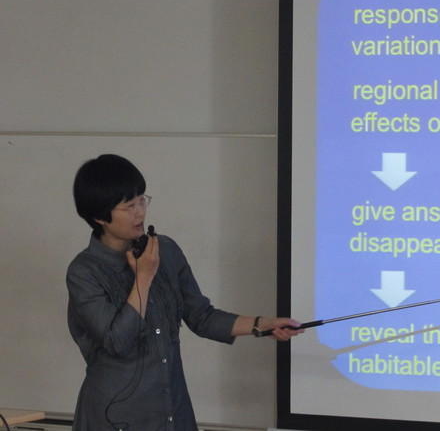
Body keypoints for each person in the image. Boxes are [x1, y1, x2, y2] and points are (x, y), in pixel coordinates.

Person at [66, 154, 303, 431]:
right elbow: (117, 342)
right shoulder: (84, 272)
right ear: (99, 216)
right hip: (115, 418)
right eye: (129, 206)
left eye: (142, 200)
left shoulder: (164, 250)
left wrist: (262, 324)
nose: (140, 212)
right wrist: (144, 277)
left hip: (173, 412)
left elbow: (201, 316)